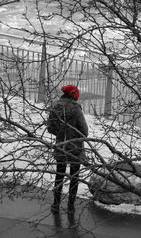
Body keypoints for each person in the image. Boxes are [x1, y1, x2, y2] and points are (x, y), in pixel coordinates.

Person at [47, 84, 89, 214]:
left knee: (59, 176)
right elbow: (84, 131)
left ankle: (56, 204)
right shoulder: (76, 109)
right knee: (74, 177)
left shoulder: (55, 106)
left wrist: (60, 135)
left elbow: (50, 127)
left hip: (60, 146)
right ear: (74, 95)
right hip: (75, 148)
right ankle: (71, 207)